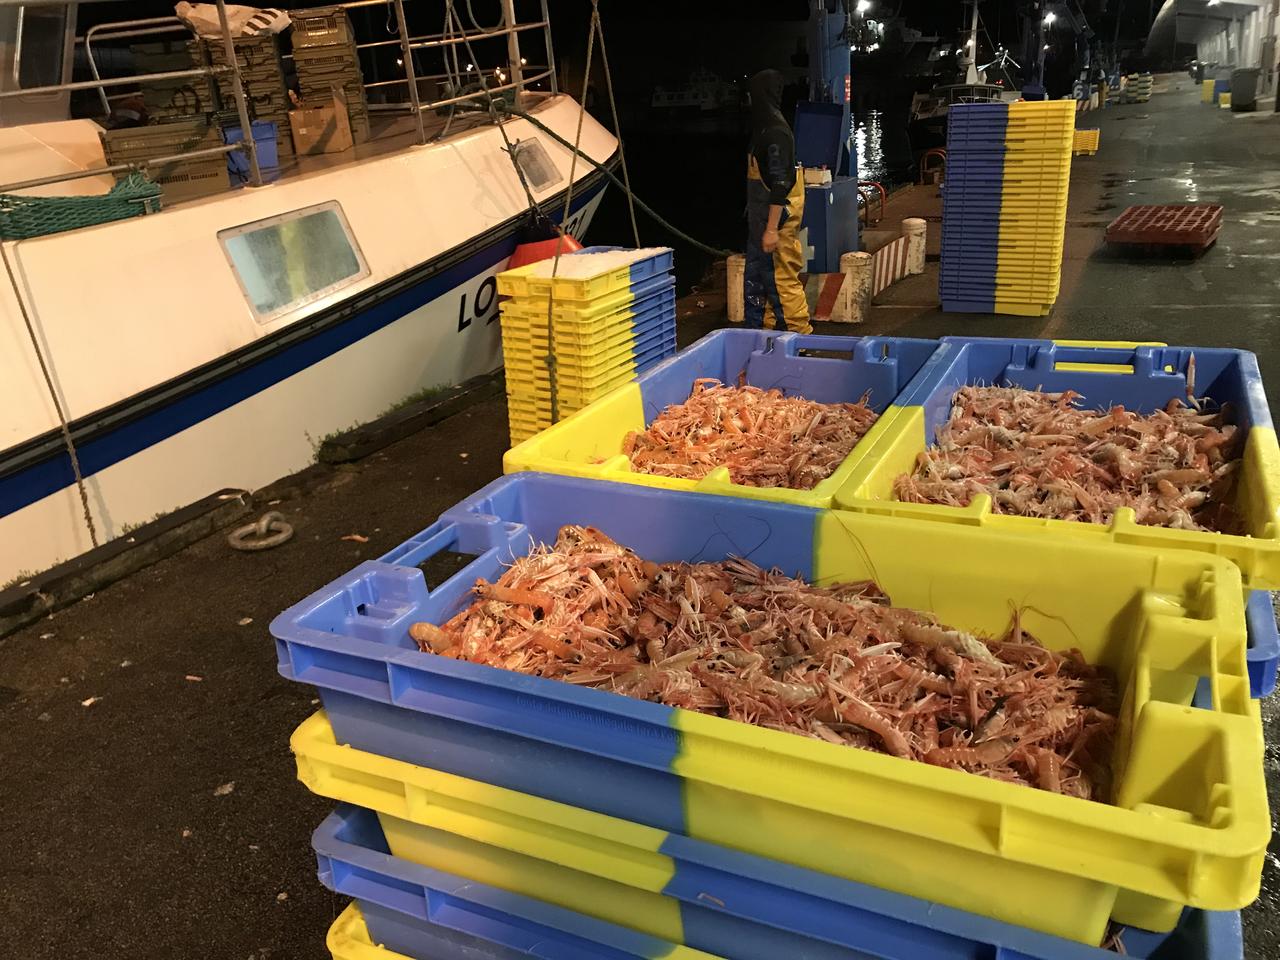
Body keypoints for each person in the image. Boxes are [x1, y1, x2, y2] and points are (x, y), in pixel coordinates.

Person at [743, 69, 812, 334]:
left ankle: (798, 341)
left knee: (782, 283)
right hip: (759, 226)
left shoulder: (775, 134)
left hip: (776, 227)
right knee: (759, 284)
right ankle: (761, 337)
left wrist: (772, 230)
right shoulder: (764, 129)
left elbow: (780, 183)